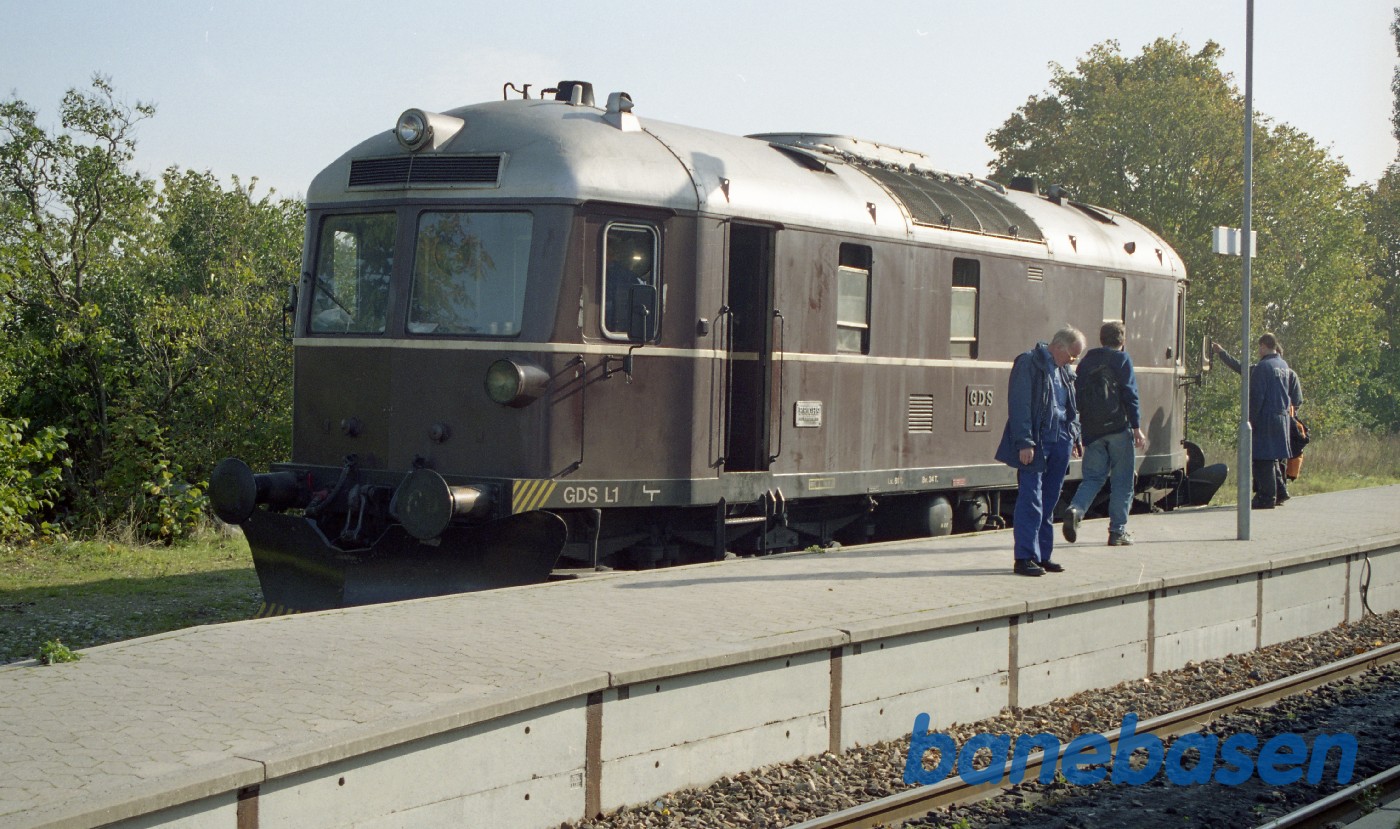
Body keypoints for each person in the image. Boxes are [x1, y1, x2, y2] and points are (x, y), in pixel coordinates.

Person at [995, 327, 1086, 576]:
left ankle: (1043, 555)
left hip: (1061, 440)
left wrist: (1075, 435)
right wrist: (1025, 441)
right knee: (1031, 500)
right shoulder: (1029, 363)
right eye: (1072, 355)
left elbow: (1072, 407)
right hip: (1037, 442)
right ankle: (1025, 557)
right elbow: (1019, 404)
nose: (1073, 361)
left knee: (1049, 500)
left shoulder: (1065, 371)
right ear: (1059, 347)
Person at [1062, 322, 1147, 546]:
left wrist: (1079, 431)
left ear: (1101, 339)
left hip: (1093, 431)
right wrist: (1136, 428)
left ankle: (1075, 509)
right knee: (1122, 481)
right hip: (1118, 429)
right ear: (1122, 341)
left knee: (1093, 478)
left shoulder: (1087, 361)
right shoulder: (1122, 359)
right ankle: (1117, 531)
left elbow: (1076, 396)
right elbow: (1130, 394)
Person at [1211, 334, 1294, 509]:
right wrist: (1222, 353)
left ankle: (1266, 497)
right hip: (1282, 418)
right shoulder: (1283, 365)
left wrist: (1250, 420)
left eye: (1259, 347)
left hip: (1266, 418)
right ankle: (1281, 492)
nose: (1258, 351)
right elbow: (1244, 370)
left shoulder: (1264, 367)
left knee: (1262, 459)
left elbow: (1257, 397)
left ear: (1263, 346)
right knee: (1273, 459)